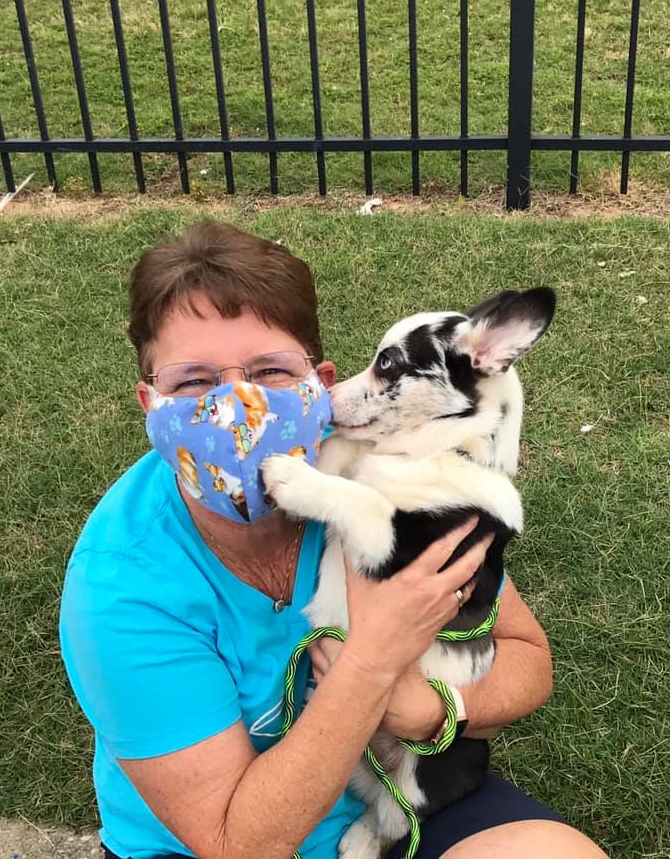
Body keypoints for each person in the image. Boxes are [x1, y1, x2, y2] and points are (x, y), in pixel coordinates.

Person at [59, 221, 608, 859]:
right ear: (150, 401)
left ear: (319, 383)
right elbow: (238, 844)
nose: (237, 408)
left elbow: (526, 660)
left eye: (270, 370)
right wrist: (372, 663)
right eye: (193, 382)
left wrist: (434, 710)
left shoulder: (376, 469)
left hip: (389, 799)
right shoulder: (122, 583)